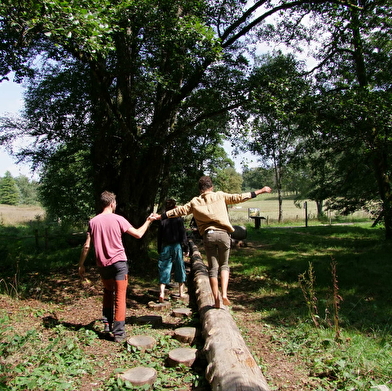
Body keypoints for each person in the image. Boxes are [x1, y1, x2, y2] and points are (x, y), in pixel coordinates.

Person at [155, 176, 272, 309]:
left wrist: (160, 216)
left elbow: (179, 211)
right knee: (224, 265)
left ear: (200, 189)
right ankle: (224, 294)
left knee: (212, 269)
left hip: (208, 236)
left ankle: (216, 299)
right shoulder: (220, 196)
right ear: (212, 187)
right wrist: (260, 191)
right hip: (223, 235)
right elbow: (240, 197)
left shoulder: (195, 201)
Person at [78, 191, 156, 342]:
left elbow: (86, 247)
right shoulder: (119, 219)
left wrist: (81, 264)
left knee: (108, 292)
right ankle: (119, 333)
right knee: (120, 296)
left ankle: (107, 324)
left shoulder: (93, 222)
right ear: (113, 203)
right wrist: (148, 221)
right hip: (119, 263)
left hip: (102, 265)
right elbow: (139, 234)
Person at [157, 199, 189, 303]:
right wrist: (186, 247)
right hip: (176, 246)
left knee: (164, 268)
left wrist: (159, 248)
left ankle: (161, 292)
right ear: (174, 207)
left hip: (165, 246)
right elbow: (183, 234)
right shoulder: (178, 219)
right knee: (180, 267)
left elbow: (159, 236)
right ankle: (181, 292)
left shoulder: (162, 219)